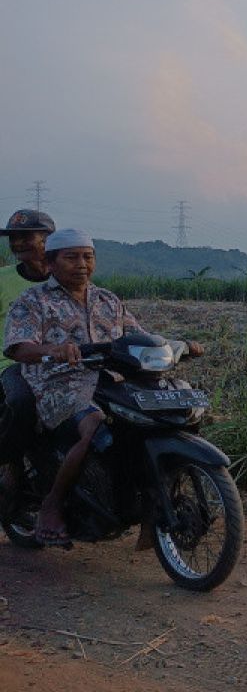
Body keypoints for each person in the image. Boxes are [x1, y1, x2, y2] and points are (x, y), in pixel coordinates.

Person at [2, 228, 202, 546]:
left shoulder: (108, 300)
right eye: (72, 257)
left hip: (110, 380)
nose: (82, 264)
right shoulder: (33, 301)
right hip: (58, 383)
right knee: (93, 423)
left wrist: (179, 345)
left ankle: (150, 501)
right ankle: (52, 505)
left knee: (159, 413)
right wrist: (52, 350)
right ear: (51, 263)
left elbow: (138, 335)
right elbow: (17, 347)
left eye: (88, 256)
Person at [0, 210, 56, 518]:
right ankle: (10, 463)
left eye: (26, 236)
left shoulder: (66, 275)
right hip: (11, 363)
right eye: (13, 238)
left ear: (48, 240)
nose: (18, 243)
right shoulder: (3, 280)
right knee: (21, 401)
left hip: (58, 362)